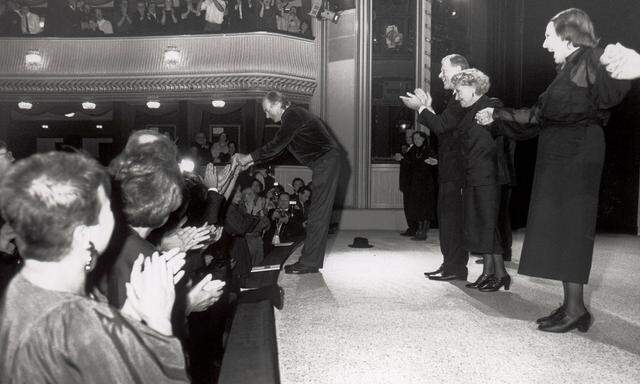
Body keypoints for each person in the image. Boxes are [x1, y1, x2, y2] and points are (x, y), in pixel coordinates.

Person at [475, 9, 630, 332]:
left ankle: (576, 310)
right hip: (560, 153)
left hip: (578, 153)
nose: (544, 45)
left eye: (549, 36)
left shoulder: (590, 59)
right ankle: (571, 305)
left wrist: (622, 59)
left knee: (572, 227)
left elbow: (614, 84)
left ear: (568, 35)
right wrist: (498, 115)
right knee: (560, 227)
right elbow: (539, 115)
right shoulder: (568, 68)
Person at [0, 151, 189, 383]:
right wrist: (158, 321)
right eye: (108, 207)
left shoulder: (27, 289)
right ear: (83, 234)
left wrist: (131, 313)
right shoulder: (68, 318)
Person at [234, 91, 342, 274]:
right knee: (317, 212)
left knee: (317, 213)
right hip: (325, 162)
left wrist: (246, 159)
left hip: (326, 162)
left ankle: (309, 262)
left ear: (278, 104)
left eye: (267, 110)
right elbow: (279, 151)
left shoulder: (292, 114)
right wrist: (252, 162)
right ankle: (311, 261)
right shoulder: (293, 117)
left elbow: (276, 145)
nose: (267, 115)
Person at [400, 54, 469, 280]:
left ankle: (455, 268)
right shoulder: (455, 97)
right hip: (450, 168)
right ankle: (449, 264)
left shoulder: (462, 96)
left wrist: (421, 109)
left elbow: (441, 126)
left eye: (443, 70)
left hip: (457, 170)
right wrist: (428, 107)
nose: (440, 75)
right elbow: (446, 126)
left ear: (459, 69)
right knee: (447, 219)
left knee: (452, 221)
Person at [403, 131, 437, 241]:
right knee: (417, 207)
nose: (416, 140)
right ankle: (418, 230)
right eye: (415, 138)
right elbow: (407, 162)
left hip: (426, 185)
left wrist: (433, 163)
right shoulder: (413, 150)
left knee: (425, 208)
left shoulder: (429, 150)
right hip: (415, 184)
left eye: (418, 138)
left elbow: (434, 166)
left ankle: (423, 232)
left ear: (423, 139)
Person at [395, 128, 416, 236]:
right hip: (407, 183)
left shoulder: (416, 149)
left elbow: (413, 166)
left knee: (411, 206)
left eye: (410, 136)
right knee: (407, 206)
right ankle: (411, 228)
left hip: (412, 184)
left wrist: (402, 159)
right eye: (406, 136)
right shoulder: (407, 149)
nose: (407, 139)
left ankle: (413, 228)